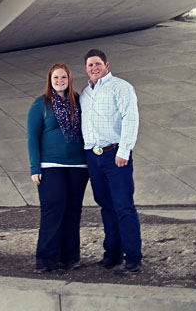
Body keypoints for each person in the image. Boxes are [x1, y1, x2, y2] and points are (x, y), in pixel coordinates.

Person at [80, 48, 142, 273]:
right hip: (93, 156)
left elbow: (130, 117)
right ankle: (112, 254)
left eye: (98, 64)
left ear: (107, 65)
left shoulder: (121, 87)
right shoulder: (85, 94)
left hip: (115, 155)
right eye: (90, 65)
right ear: (85, 69)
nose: (94, 68)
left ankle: (133, 257)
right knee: (106, 206)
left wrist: (124, 151)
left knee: (123, 206)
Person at [26, 63, 89, 273]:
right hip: (51, 165)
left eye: (63, 78)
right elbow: (32, 137)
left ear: (69, 79)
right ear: (50, 81)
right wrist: (35, 167)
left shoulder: (79, 102)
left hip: (78, 165)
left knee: (73, 211)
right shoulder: (41, 104)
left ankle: (70, 257)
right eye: (56, 78)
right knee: (53, 210)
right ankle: (46, 260)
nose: (60, 82)